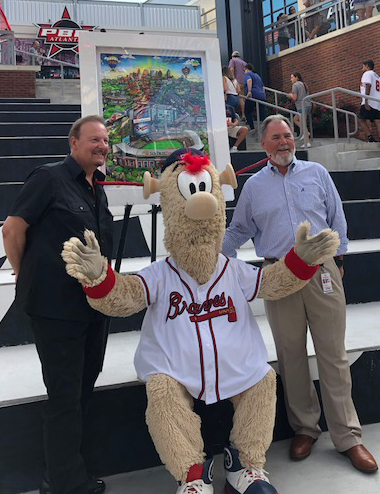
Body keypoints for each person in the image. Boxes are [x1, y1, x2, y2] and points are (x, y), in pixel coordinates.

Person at [222, 114, 378, 474]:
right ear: (263, 144)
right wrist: (209, 260)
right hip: (279, 274)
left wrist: (337, 258)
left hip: (322, 270)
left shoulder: (317, 173)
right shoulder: (254, 186)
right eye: (275, 137)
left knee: (333, 355)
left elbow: (338, 219)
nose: (283, 142)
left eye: (288, 136)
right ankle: (305, 428)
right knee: (290, 355)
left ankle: (348, 436)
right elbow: (239, 230)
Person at [2, 115, 114, 494]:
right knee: (65, 397)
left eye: (104, 141)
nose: (101, 146)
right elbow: (12, 228)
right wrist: (24, 274)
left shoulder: (97, 189)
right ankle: (64, 483)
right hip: (56, 310)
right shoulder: (48, 178)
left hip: (92, 309)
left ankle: (68, 469)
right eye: (94, 140)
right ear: (73, 143)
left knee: (83, 390)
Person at [286, 71, 312, 147]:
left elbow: (294, 98)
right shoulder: (304, 84)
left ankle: (307, 141)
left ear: (296, 77)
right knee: (295, 119)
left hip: (301, 105)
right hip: (307, 104)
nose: (291, 79)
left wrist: (289, 95)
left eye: (292, 77)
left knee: (303, 123)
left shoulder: (295, 85)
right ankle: (305, 132)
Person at [358, 59, 380, 142]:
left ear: (367, 66)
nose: (362, 68)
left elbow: (368, 86)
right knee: (377, 120)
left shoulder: (367, 73)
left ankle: (370, 138)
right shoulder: (377, 76)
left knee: (361, 119)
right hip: (377, 102)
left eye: (363, 66)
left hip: (369, 101)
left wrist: (366, 101)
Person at [243, 63, 266, 132]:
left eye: (244, 70)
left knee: (247, 112)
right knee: (261, 112)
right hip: (261, 95)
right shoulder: (257, 76)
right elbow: (263, 87)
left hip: (253, 95)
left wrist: (249, 91)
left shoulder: (248, 74)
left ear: (246, 69)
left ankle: (252, 128)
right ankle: (266, 128)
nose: (244, 72)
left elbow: (249, 80)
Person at [228, 51, 246, 120]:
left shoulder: (232, 60)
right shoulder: (243, 62)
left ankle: (238, 115)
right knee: (242, 98)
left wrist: (231, 79)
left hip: (237, 82)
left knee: (236, 98)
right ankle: (244, 114)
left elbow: (231, 69)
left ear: (232, 56)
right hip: (244, 82)